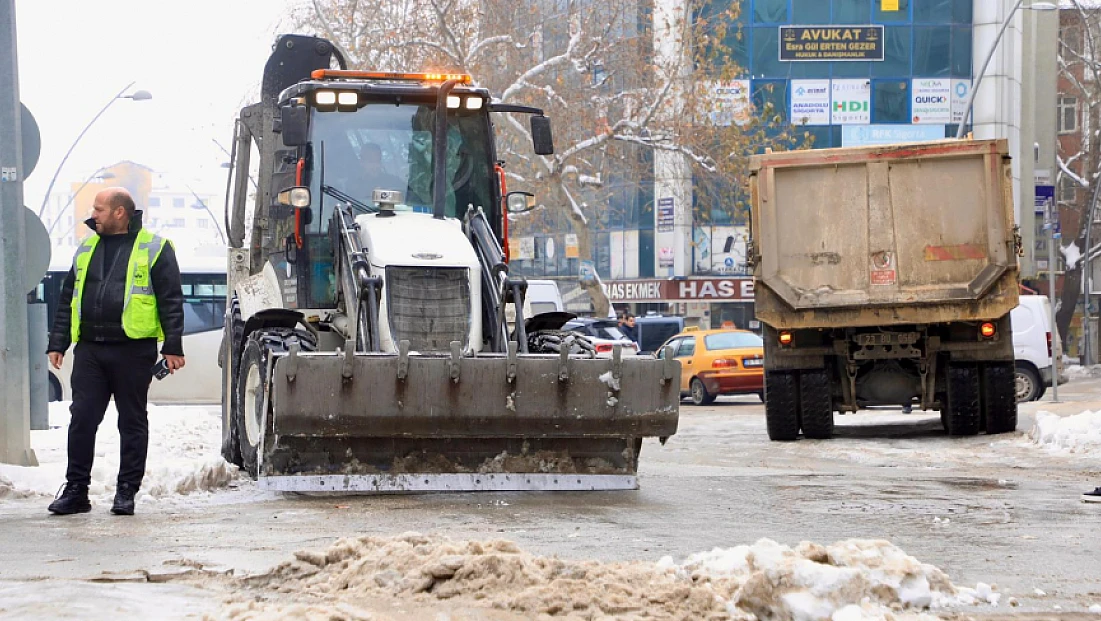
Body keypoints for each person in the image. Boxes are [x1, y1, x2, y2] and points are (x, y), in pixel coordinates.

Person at [45, 188, 185, 516]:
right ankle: (76, 491)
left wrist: (173, 346)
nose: (92, 214)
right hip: (91, 349)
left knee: (132, 421)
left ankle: (126, 491)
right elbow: (68, 298)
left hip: (133, 350)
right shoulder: (87, 247)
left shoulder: (155, 247)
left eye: (99, 209)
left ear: (119, 212)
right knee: (82, 418)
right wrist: (58, 342)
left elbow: (171, 299)